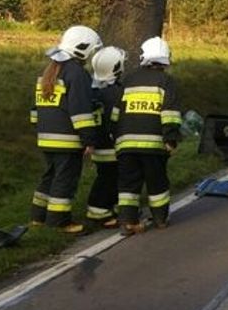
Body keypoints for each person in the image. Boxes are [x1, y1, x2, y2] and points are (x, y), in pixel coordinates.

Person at [30, 25, 102, 234]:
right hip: (67, 140)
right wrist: (89, 140)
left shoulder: (49, 70)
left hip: (46, 137)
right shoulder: (77, 74)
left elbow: (36, 109)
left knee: (49, 176)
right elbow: (80, 111)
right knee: (65, 180)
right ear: (83, 48)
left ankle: (38, 217)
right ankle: (58, 221)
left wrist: (40, 129)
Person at [114, 37, 181, 235]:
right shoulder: (166, 82)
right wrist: (170, 140)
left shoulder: (128, 80)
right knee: (157, 182)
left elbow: (116, 113)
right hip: (154, 146)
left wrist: (115, 136)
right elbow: (170, 114)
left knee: (128, 185)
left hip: (126, 144)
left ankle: (127, 222)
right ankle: (160, 219)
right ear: (165, 59)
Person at [85, 46, 126, 229]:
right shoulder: (117, 93)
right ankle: (98, 212)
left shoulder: (92, 91)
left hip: (98, 143)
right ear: (117, 68)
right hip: (112, 144)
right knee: (109, 178)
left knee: (108, 176)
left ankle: (114, 208)